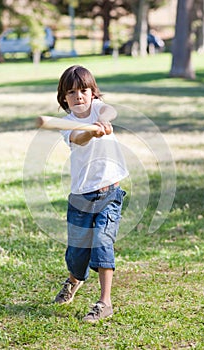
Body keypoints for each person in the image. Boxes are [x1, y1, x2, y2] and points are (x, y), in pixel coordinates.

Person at [54, 65, 128, 323]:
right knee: (77, 254)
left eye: (84, 90)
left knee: (102, 243)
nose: (78, 96)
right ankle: (74, 279)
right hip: (80, 198)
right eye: (71, 92)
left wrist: (103, 121)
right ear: (64, 97)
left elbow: (109, 110)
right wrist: (91, 131)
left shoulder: (98, 108)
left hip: (109, 192)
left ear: (93, 93)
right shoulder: (67, 123)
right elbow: (78, 138)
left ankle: (104, 302)